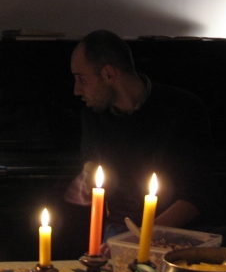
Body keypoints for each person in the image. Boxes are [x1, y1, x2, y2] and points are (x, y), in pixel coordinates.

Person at [65, 30, 216, 248]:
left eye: (82, 79)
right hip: (120, 230)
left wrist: (140, 240)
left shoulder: (183, 109)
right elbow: (91, 162)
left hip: (177, 232)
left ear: (109, 74)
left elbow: (196, 196)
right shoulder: (92, 115)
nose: (76, 90)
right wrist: (88, 175)